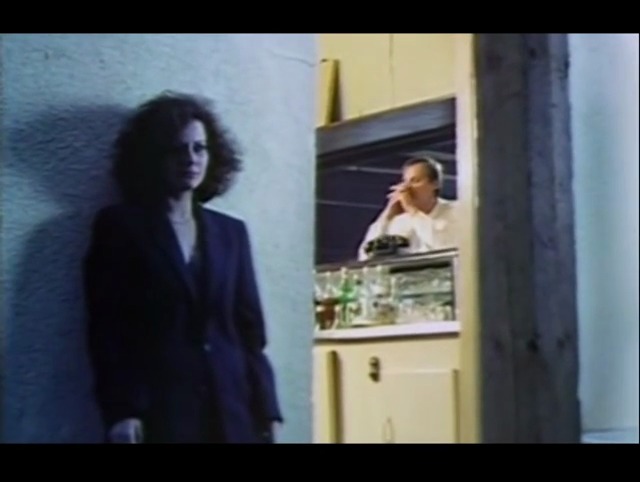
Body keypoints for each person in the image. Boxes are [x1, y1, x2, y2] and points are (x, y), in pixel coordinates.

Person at [83, 91, 283, 443]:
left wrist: (267, 409)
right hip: (161, 410)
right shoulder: (121, 227)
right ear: (152, 157)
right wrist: (122, 411)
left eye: (199, 148)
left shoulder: (231, 233)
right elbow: (108, 329)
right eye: (177, 150)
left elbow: (250, 333)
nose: (190, 159)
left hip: (232, 409)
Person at [357, 156, 457, 260]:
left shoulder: (456, 210)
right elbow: (365, 256)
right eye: (405, 182)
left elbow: (443, 247)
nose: (406, 188)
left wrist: (412, 210)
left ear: (435, 184)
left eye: (415, 181)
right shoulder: (400, 220)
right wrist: (387, 215)